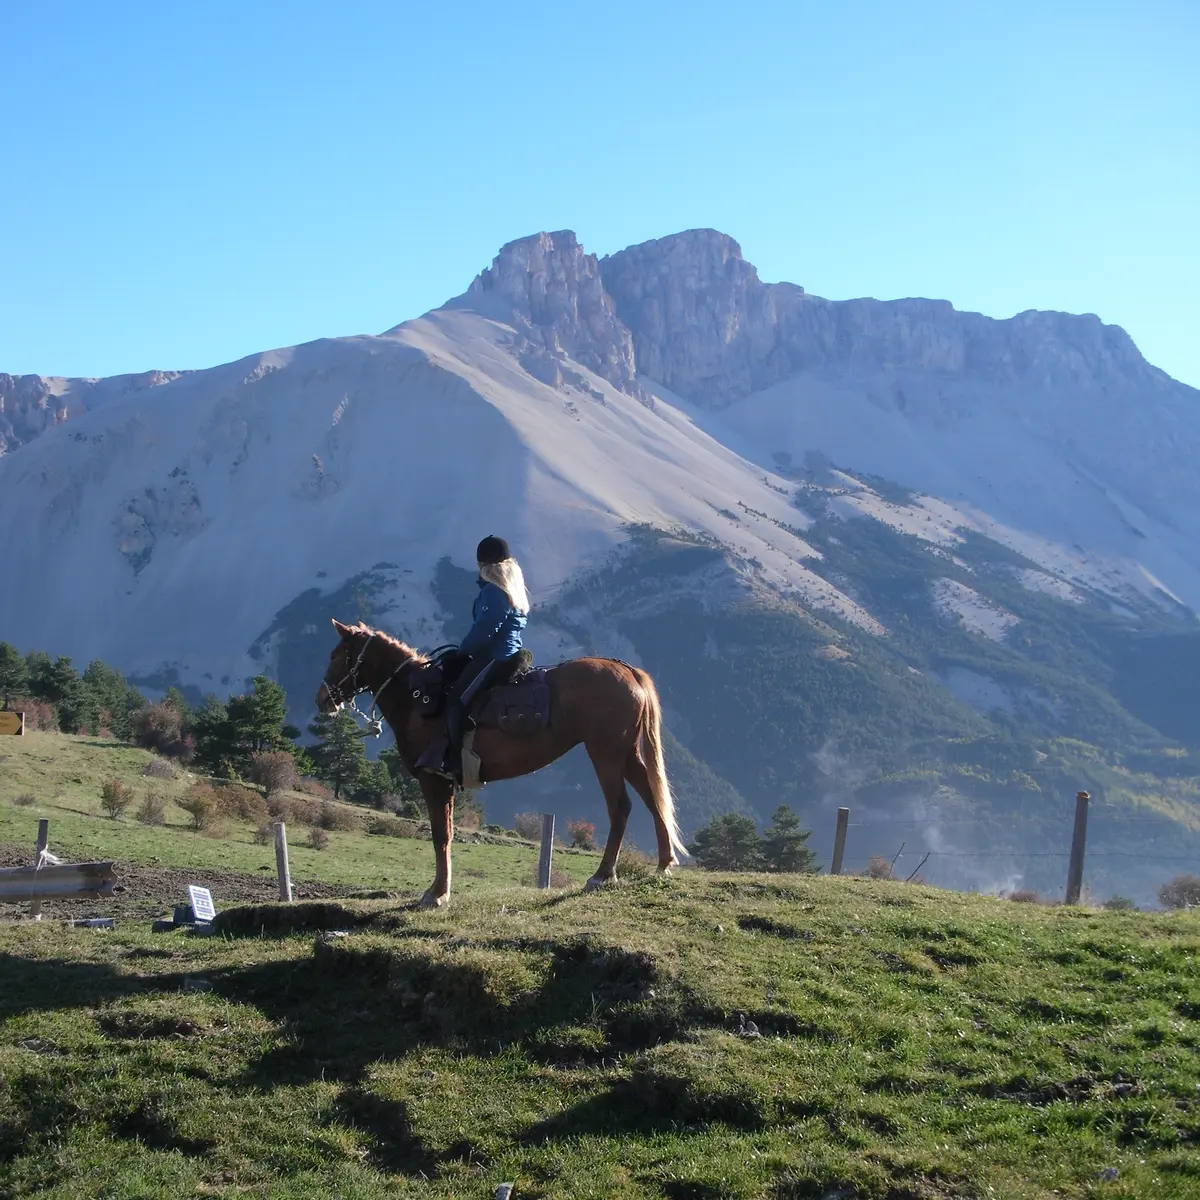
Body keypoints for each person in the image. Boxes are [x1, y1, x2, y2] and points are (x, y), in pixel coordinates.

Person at [436, 535, 530, 781]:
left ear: (485, 565)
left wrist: (462, 651)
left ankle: (454, 763)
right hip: (508, 651)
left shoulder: (494, 591)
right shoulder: (511, 588)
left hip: (495, 655)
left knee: (457, 698)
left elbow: (486, 628)